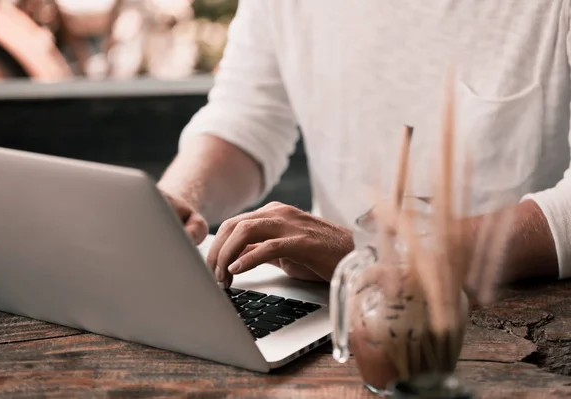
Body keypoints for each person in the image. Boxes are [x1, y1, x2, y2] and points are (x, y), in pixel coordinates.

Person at [156, 1, 569, 288]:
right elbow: (246, 116)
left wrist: (385, 254)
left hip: (516, 314)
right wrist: (175, 203)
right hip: (335, 300)